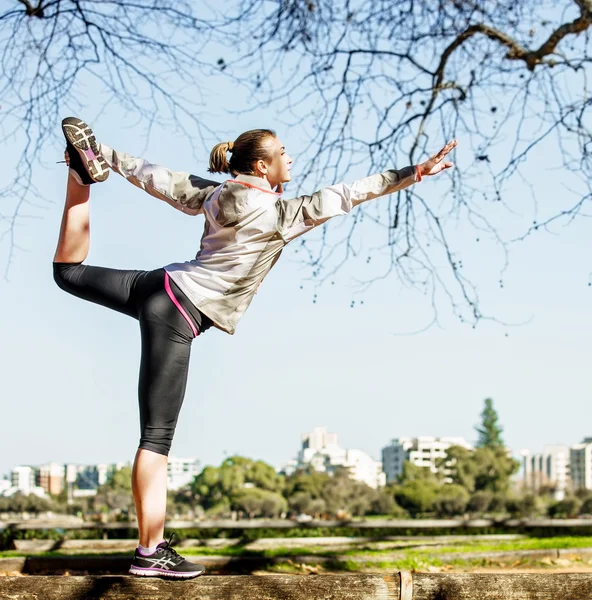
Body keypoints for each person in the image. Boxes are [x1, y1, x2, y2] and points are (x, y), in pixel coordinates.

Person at [54, 117, 457, 578]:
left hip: (159, 287)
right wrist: (414, 173)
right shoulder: (283, 213)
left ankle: (78, 175)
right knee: (156, 439)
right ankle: (151, 551)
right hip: (178, 311)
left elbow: (154, 176)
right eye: (283, 153)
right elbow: (352, 191)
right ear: (264, 166)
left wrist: (101, 152)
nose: (290, 159)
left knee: (68, 273)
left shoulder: (214, 194)